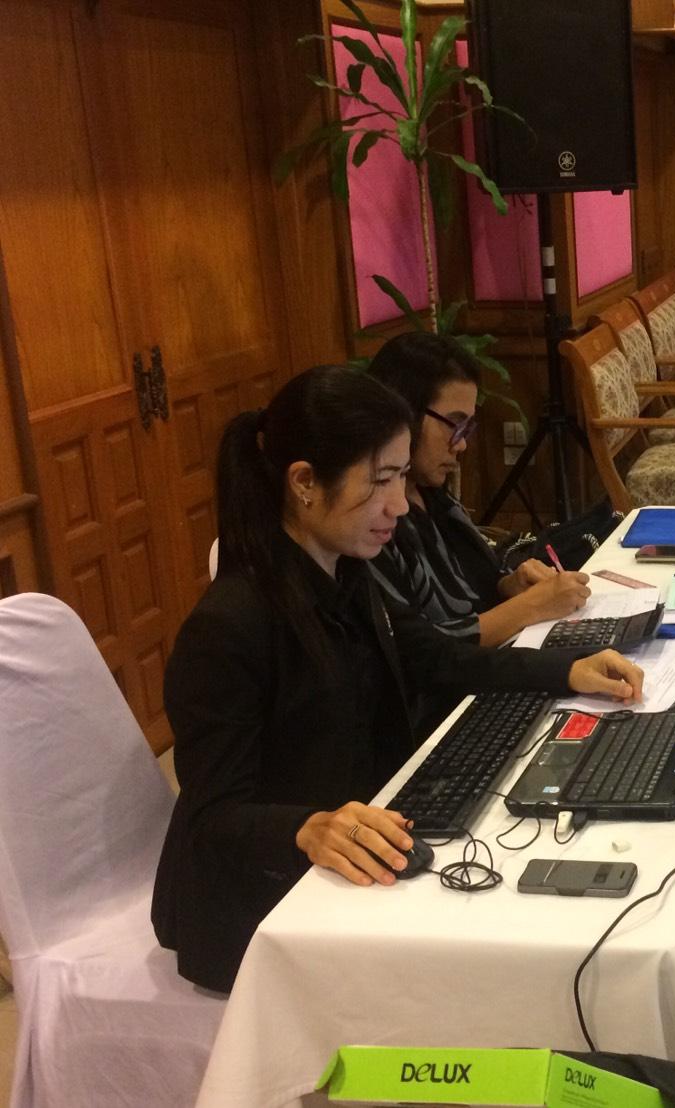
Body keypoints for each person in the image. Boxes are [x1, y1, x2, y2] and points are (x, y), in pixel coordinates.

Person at [152, 366, 644, 993]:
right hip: (266, 912)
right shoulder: (229, 626)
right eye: (380, 480)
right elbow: (213, 816)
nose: (399, 504)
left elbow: (439, 659)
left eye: (401, 477)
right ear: (304, 483)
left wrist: (566, 669)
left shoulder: (348, 571)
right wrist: (307, 826)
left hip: (361, 850)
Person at [365, 331, 590, 648]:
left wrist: (510, 585)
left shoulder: (434, 495)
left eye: (467, 427)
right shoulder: (374, 522)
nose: (462, 444)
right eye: (454, 424)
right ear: (405, 413)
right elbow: (420, 652)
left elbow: (474, 582)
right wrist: (531, 606)